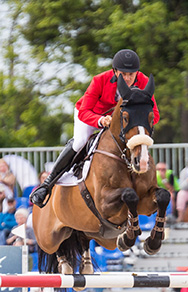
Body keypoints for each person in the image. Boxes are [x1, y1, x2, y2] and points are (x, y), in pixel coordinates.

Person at [30, 49, 159, 207]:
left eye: (131, 74)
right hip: (91, 114)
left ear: (137, 73)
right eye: (123, 74)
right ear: (115, 71)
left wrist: (136, 125)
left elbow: (155, 114)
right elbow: (84, 111)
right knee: (80, 141)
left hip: (121, 121)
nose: (127, 78)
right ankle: (47, 184)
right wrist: (100, 120)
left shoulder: (144, 82)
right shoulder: (100, 80)